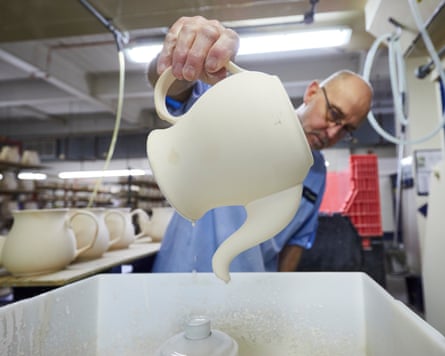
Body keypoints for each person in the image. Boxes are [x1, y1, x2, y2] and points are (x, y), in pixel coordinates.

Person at [147, 16, 373, 273]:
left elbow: (297, 241)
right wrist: (182, 59)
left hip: (250, 289)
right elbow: (174, 89)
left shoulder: (317, 173)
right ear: (311, 93)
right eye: (334, 114)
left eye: (347, 130)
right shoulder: (246, 110)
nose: (333, 131)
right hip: (183, 271)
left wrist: (279, 295)